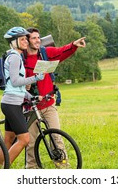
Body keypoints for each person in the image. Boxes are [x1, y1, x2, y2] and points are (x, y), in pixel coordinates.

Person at [23, 27, 86, 169]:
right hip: (30, 107)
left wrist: (73, 45)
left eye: (38, 37)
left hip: (48, 104)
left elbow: (61, 52)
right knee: (31, 143)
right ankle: (32, 172)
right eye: (34, 38)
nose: (38, 40)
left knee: (56, 139)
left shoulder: (45, 53)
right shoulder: (21, 59)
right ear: (26, 41)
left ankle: (64, 169)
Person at [0, 27, 44, 165]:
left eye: (26, 39)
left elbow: (16, 87)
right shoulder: (14, 57)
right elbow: (15, 81)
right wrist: (35, 78)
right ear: (14, 42)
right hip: (12, 104)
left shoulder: (16, 56)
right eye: (22, 39)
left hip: (12, 102)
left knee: (8, 139)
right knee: (24, 139)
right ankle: (4, 170)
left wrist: (30, 97)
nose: (26, 42)